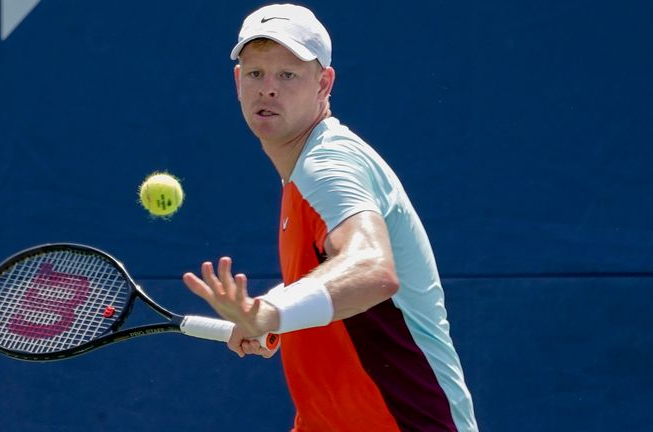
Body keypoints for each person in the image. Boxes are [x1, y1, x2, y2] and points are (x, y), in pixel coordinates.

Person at [183, 4, 478, 431]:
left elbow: (371, 269)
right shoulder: (304, 168)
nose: (268, 89)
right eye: (255, 73)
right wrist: (263, 312)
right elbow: (331, 272)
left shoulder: (328, 164)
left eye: (288, 75)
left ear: (324, 83)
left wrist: (271, 312)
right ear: (237, 82)